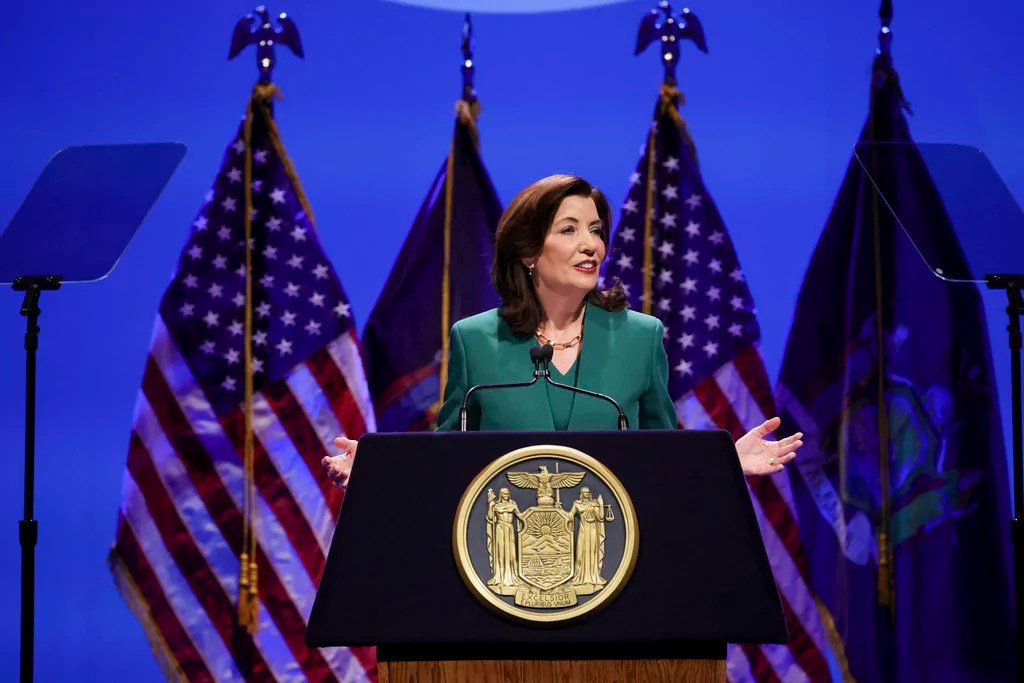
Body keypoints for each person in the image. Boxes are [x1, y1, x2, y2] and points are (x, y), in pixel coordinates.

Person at [322, 174, 802, 486]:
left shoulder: (641, 337)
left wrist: (725, 460)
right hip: (503, 567)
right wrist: (379, 468)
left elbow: (663, 456)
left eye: (595, 230)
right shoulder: (476, 340)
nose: (591, 244)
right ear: (529, 251)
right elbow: (446, 459)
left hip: (613, 560)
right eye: (569, 230)